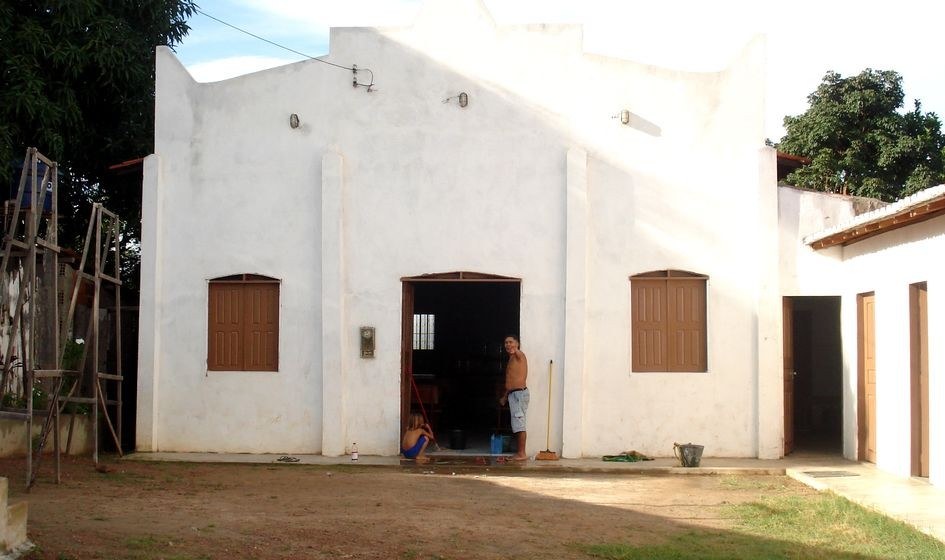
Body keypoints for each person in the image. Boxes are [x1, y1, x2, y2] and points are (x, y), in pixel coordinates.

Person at [499, 334, 529, 461]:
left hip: (519, 394)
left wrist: (514, 350)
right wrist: (505, 396)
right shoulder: (511, 359)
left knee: (519, 424)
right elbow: (511, 381)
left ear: (517, 344)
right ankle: (520, 452)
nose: (508, 344)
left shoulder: (519, 355)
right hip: (513, 394)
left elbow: (518, 353)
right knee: (517, 424)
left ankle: (522, 454)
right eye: (506, 342)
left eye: (511, 342)